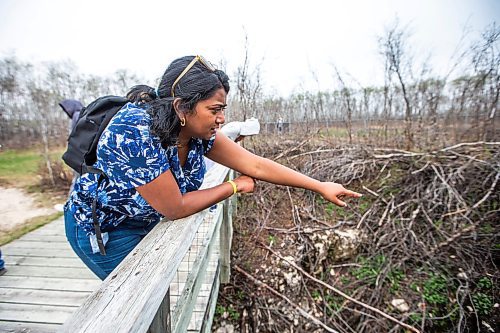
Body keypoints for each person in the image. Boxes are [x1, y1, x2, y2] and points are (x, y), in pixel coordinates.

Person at [64, 55, 362, 280]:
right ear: (182, 107)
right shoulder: (134, 132)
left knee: (156, 296)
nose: (221, 119)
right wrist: (233, 186)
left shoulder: (195, 132)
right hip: (104, 230)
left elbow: (254, 164)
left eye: (223, 111)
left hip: (142, 218)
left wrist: (320, 186)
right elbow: (176, 207)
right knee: (134, 302)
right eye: (215, 110)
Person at [59, 99, 84, 195]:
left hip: (79, 154)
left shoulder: (77, 115)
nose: (66, 111)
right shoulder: (80, 115)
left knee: (77, 179)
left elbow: (76, 136)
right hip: (81, 154)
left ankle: (71, 203)